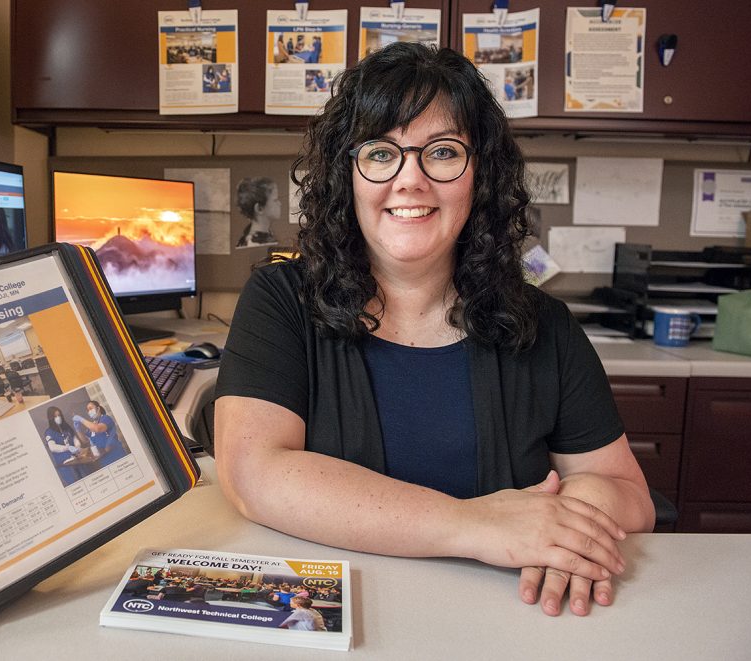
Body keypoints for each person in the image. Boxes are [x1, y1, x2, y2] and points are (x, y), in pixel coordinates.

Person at [214, 42, 654, 618]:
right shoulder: (282, 301)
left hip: (510, 619)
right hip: (339, 625)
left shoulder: (545, 326)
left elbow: (630, 496)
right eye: (380, 152)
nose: (410, 180)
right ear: (347, 173)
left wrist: (578, 508)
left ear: (480, 176)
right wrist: (475, 525)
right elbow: (254, 474)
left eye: (442, 152)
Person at [72, 400, 128, 466]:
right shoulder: (92, 425)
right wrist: (78, 429)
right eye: (87, 410)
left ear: (98, 409)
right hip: (104, 459)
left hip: (116, 454)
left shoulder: (106, 418)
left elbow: (98, 428)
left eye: (90, 408)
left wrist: (81, 419)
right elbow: (85, 440)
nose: (89, 411)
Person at [42, 406, 86, 485]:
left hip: (77, 459)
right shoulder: (49, 432)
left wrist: (77, 447)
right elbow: (53, 447)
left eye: (59, 415)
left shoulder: (66, 427)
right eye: (55, 416)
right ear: (50, 418)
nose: (58, 417)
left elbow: (75, 438)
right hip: (65, 465)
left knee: (86, 479)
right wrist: (68, 448)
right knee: (76, 484)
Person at [235, 177, 281, 249]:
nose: (280, 204)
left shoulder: (267, 233)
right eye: (275, 200)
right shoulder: (253, 243)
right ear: (259, 208)